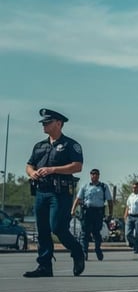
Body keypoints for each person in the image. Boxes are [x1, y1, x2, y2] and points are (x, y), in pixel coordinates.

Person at [24, 108, 86, 278]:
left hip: (60, 193)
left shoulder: (70, 145)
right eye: (43, 122)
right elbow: (29, 165)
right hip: (41, 191)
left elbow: (77, 166)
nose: (44, 125)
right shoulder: (39, 146)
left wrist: (53, 169)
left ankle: (77, 251)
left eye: (47, 122)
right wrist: (32, 173)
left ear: (59, 124)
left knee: (57, 227)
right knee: (42, 230)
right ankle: (44, 266)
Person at [71, 168, 114, 261]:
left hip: (98, 212)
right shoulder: (85, 186)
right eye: (92, 174)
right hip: (87, 212)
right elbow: (78, 199)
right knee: (84, 233)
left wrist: (110, 213)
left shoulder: (103, 186)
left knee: (96, 233)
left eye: (96, 174)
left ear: (99, 176)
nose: (94, 176)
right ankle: (84, 252)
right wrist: (73, 209)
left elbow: (110, 201)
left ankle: (97, 249)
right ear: (90, 175)